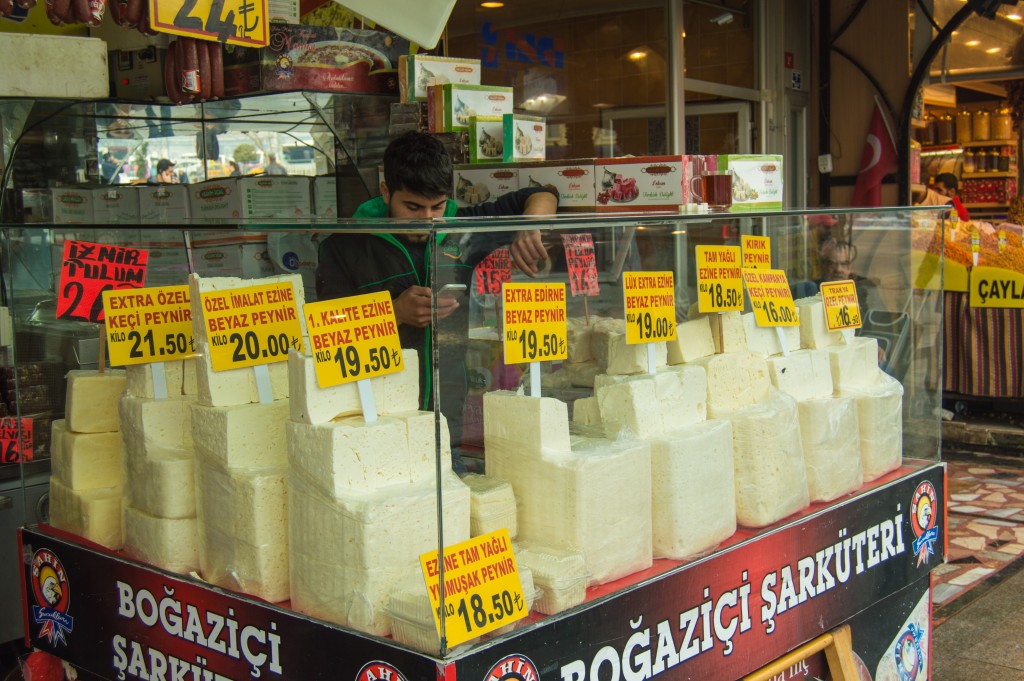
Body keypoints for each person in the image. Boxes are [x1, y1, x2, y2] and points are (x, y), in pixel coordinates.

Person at [315, 132, 556, 471]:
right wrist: (393, 312)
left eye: (437, 207)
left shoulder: (461, 227)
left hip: (446, 425)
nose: (427, 219)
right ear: (386, 191)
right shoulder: (346, 245)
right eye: (412, 207)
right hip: (372, 426)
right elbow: (325, 332)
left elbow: (541, 194)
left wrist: (529, 227)